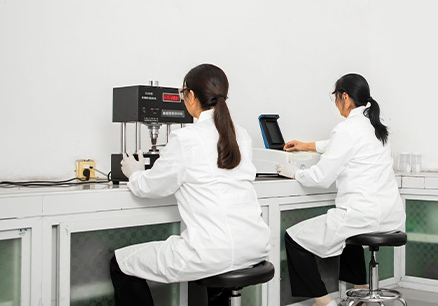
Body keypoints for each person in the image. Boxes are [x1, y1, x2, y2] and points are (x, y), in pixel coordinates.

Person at [110, 64, 271, 306]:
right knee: (214, 267)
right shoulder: (241, 135)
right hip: (255, 246)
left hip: (211, 253)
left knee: (121, 263)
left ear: (191, 96)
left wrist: (134, 173)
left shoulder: (185, 139)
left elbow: (150, 187)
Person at [276, 73, 405, 306]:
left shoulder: (346, 129)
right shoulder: (376, 125)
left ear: (344, 97)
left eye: (335, 97)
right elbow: (341, 146)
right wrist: (306, 145)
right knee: (346, 234)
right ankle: (362, 289)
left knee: (293, 237)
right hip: (390, 216)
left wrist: (294, 172)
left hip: (361, 215)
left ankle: (324, 302)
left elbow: (321, 177)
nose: (336, 102)